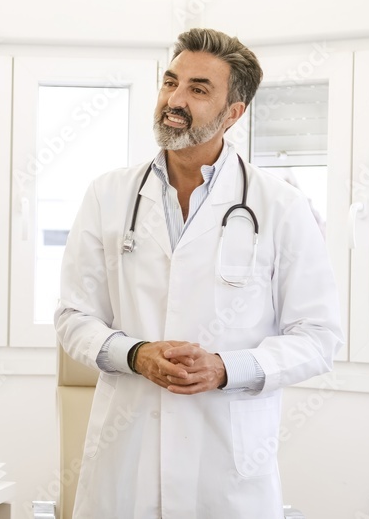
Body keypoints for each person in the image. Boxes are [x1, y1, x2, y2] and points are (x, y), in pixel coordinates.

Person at [55, 28, 344, 518]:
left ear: (234, 113)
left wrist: (226, 368)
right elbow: (72, 317)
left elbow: (318, 337)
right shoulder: (109, 196)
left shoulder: (281, 207)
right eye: (171, 82)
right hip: (127, 460)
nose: (175, 99)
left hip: (226, 468)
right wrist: (137, 354)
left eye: (198, 89)